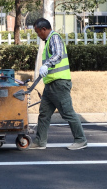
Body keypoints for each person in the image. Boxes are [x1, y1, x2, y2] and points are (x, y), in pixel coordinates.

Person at [29, 18, 88, 151]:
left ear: (44, 29)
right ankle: (40, 141)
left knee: (67, 112)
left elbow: (58, 54)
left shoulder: (54, 38)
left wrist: (46, 64)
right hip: (50, 84)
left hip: (59, 83)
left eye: (38, 32)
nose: (38, 35)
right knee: (44, 113)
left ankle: (80, 140)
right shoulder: (48, 41)